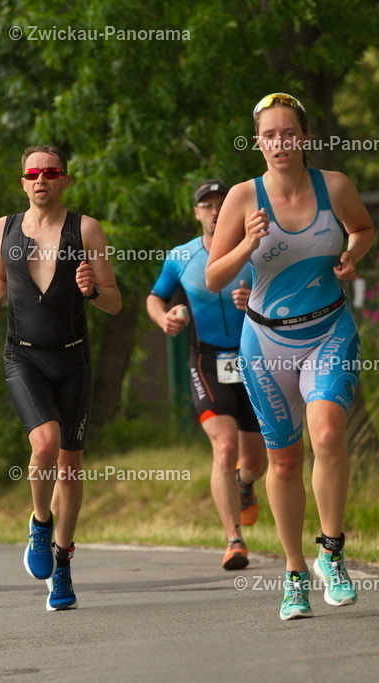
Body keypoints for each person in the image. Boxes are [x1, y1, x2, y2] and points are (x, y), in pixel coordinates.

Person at [206, 93, 375, 620]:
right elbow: (215, 276)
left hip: (328, 330)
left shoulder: (336, 187)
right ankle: (295, 572)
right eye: (269, 135)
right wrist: (246, 243)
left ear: (304, 138)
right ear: (258, 142)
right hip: (265, 343)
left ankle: (332, 552)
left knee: (327, 434)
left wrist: (351, 254)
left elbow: (364, 229)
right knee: (283, 459)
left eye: (288, 133)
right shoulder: (241, 198)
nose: (279, 143)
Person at [0, 145, 121, 611]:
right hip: (24, 356)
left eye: (50, 172)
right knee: (44, 444)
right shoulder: (3, 229)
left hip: (74, 360)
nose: (41, 179)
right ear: (22, 181)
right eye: (32, 173)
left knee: (70, 464)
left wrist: (92, 289)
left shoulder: (87, 229)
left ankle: (62, 562)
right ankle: (40, 524)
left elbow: (114, 302)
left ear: (65, 180)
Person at [147, 179, 267, 570]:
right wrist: (163, 317)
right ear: (196, 213)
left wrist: (254, 301)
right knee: (225, 447)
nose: (216, 211)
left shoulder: (255, 249)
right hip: (207, 362)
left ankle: (244, 484)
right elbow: (155, 296)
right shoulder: (181, 256)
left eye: (222, 203)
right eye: (207, 205)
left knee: (256, 463)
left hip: (254, 358)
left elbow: (283, 296)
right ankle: (234, 540)